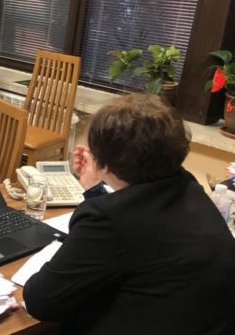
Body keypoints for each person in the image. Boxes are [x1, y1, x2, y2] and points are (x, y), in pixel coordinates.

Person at [23, 93, 235, 334]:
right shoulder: (189, 186)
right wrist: (95, 188)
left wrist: (97, 193)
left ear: (105, 161)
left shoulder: (107, 219)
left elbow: (41, 302)